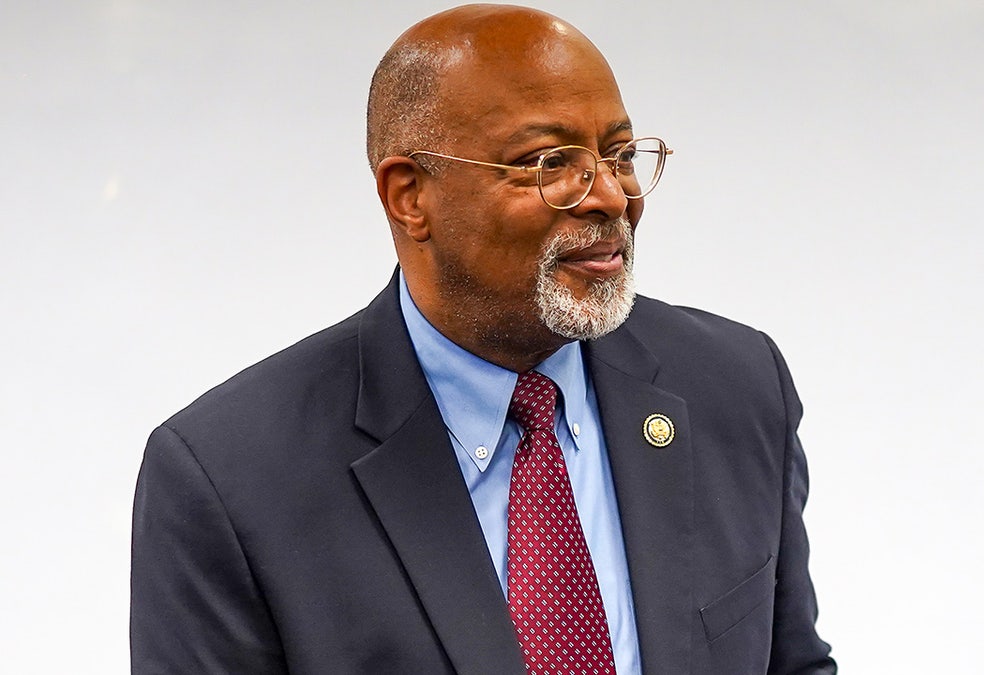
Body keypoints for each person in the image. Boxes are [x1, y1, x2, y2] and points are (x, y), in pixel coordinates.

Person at [130, 4, 836, 674]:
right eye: (550, 164)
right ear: (411, 196)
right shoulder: (229, 479)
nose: (612, 196)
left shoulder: (736, 384)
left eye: (618, 153)